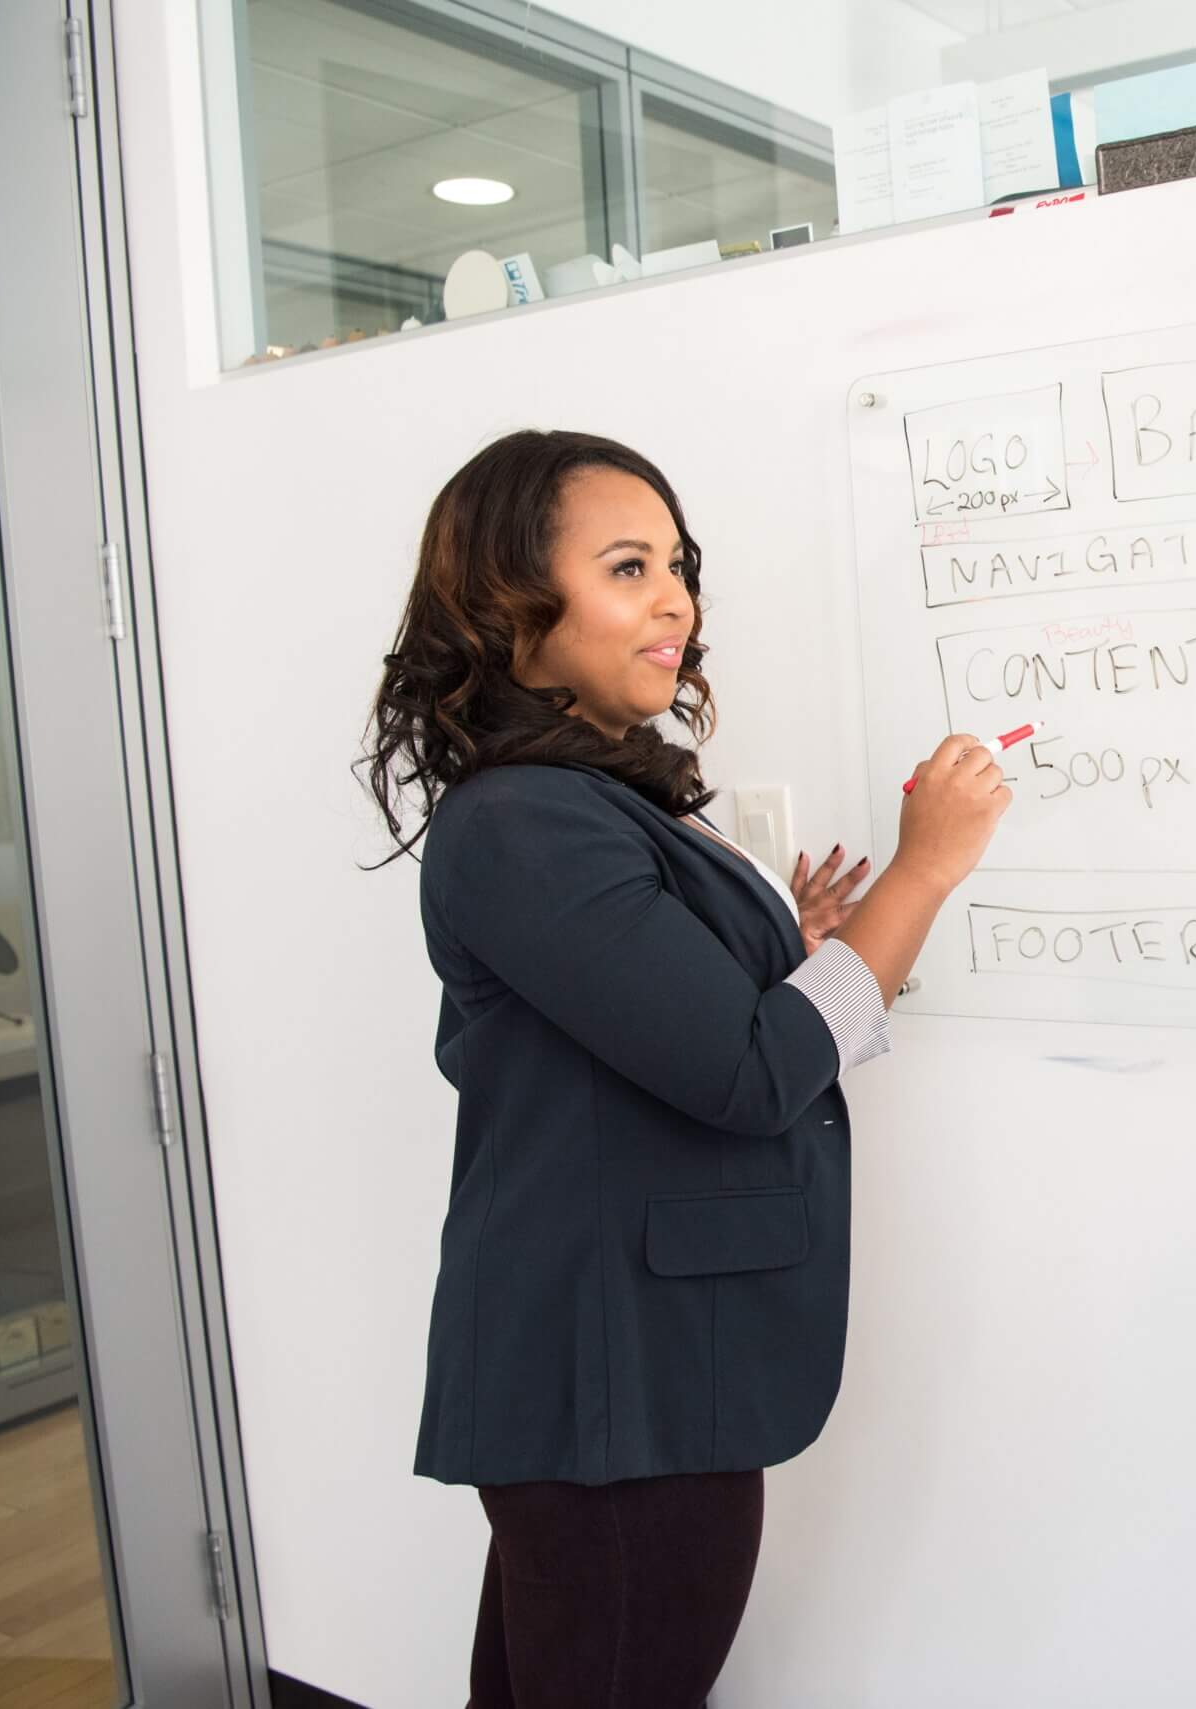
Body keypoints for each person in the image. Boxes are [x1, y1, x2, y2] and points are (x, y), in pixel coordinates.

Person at [360, 429, 1011, 1706]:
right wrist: (925, 867)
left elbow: (692, 1030)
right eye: (626, 566)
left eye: (676, 563)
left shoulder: (604, 797)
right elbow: (753, 1068)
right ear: (510, 608)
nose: (675, 599)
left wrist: (808, 948)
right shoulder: (523, 820)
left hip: (640, 1370)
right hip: (620, 1384)